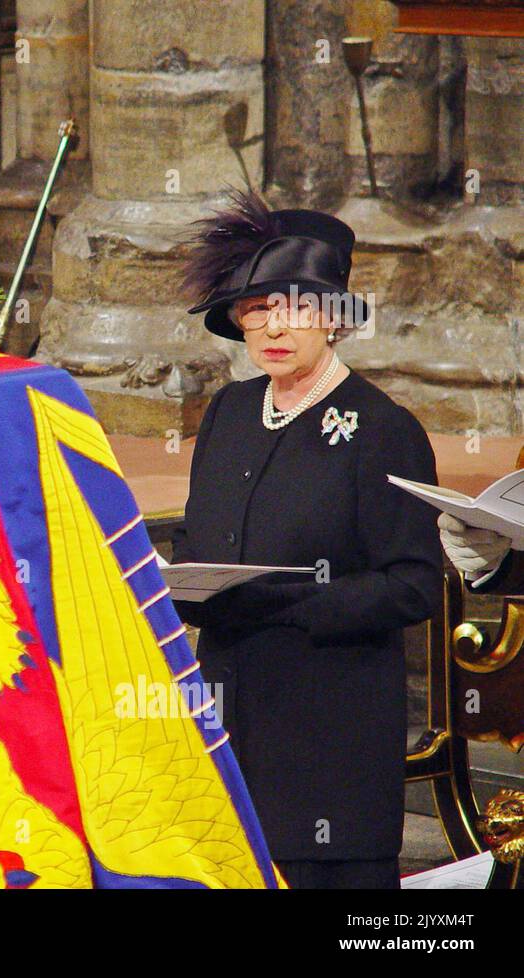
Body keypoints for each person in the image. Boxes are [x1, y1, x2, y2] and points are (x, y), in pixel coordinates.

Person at [171, 188, 444, 889]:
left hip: (329, 729)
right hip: (230, 715)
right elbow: (203, 542)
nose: (274, 327)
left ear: (336, 321)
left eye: (295, 308)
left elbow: (414, 584)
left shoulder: (382, 429)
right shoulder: (229, 411)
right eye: (257, 310)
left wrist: (293, 603)